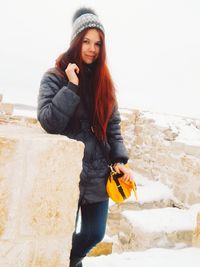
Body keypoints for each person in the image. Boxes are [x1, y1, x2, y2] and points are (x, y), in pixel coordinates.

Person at [37, 7, 134, 267]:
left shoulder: (105, 83)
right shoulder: (55, 76)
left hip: (98, 174)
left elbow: (113, 126)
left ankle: (66, 262)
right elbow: (49, 121)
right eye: (86, 41)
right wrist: (72, 86)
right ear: (76, 41)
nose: (92, 48)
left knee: (94, 232)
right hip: (66, 175)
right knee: (62, 233)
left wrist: (119, 159)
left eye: (98, 43)